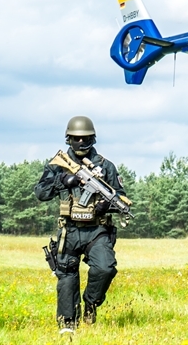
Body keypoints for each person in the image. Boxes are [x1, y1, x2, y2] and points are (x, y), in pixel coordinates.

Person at [34, 116, 131, 333]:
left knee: (105, 268)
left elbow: (121, 197)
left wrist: (107, 205)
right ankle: (68, 324)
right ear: (68, 139)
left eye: (85, 138)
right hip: (69, 229)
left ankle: (91, 303)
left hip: (97, 230)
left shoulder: (106, 166)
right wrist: (63, 181)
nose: (80, 143)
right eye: (76, 139)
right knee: (67, 275)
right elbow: (40, 192)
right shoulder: (57, 165)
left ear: (93, 139)